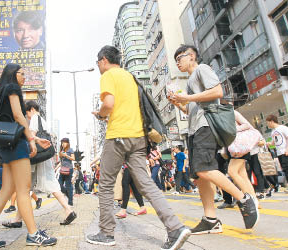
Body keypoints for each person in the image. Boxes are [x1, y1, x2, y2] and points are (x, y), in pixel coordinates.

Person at [86, 45, 190, 250]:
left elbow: (108, 103)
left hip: (118, 136)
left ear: (104, 60)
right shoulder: (130, 77)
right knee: (146, 183)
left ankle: (106, 233)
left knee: (106, 184)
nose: (98, 66)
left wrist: (100, 114)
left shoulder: (109, 75)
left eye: (98, 62)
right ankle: (175, 227)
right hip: (139, 138)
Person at [169, 45, 259, 234]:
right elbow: (191, 109)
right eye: (176, 60)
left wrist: (188, 97)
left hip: (206, 126)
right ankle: (210, 219)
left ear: (192, 56)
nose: (178, 62)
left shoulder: (202, 69)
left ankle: (244, 199)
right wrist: (179, 104)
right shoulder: (190, 81)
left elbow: (217, 92)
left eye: (180, 58)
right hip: (194, 129)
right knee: (199, 176)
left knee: (204, 169)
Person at [0, 64, 56, 248]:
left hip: (5, 144)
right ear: (13, 74)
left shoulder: (2, 91)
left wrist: (33, 137)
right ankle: (34, 234)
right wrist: (30, 140)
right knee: (24, 190)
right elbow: (19, 116)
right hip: (16, 144)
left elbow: (11, 120)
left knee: (7, 190)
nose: (25, 77)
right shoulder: (12, 88)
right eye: (22, 74)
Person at [2, 100, 76, 227]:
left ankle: (68, 210)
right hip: (44, 157)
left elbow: (31, 135)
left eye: (26, 113)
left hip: (37, 156)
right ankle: (18, 219)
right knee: (28, 187)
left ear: (31, 109)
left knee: (30, 186)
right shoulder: (43, 120)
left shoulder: (35, 118)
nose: (27, 116)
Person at [266, 114, 288, 193]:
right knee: (286, 169)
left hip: (286, 151)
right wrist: (269, 143)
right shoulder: (273, 132)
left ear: (271, 121)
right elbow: (274, 142)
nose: (268, 125)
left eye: (268, 123)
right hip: (279, 153)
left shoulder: (283, 128)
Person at [57, 138, 75, 206]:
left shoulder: (70, 149)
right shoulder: (61, 150)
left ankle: (70, 201)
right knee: (59, 185)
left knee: (68, 185)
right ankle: (68, 194)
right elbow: (61, 161)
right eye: (62, 143)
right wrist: (56, 168)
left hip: (69, 169)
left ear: (67, 143)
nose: (63, 144)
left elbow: (73, 158)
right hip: (62, 170)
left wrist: (66, 155)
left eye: (64, 142)